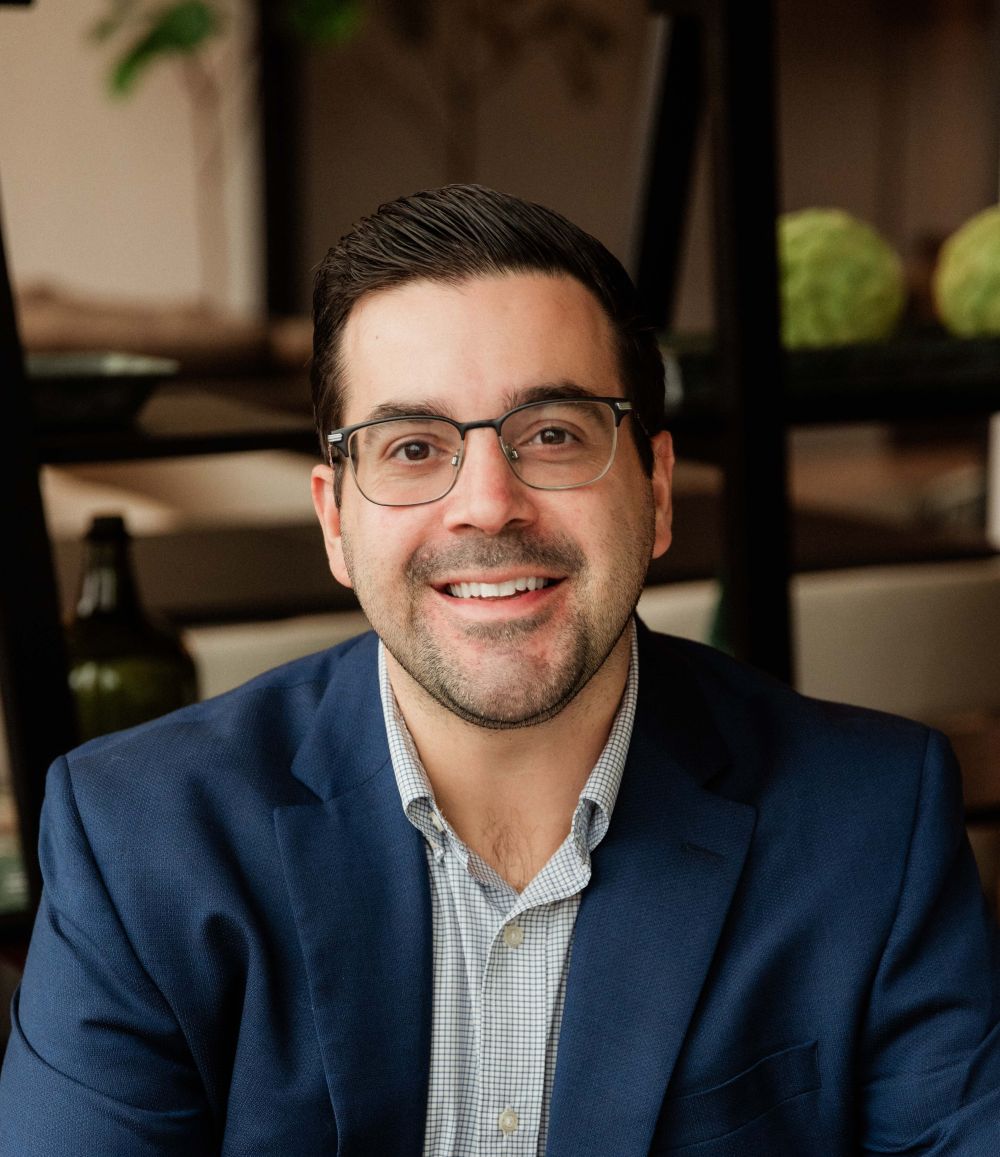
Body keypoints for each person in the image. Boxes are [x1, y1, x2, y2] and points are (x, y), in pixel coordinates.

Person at [1, 185, 998, 1156]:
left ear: (655, 490)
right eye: (412, 446)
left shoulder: (872, 821)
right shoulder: (141, 838)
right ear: (335, 520)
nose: (487, 503)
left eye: (553, 435)